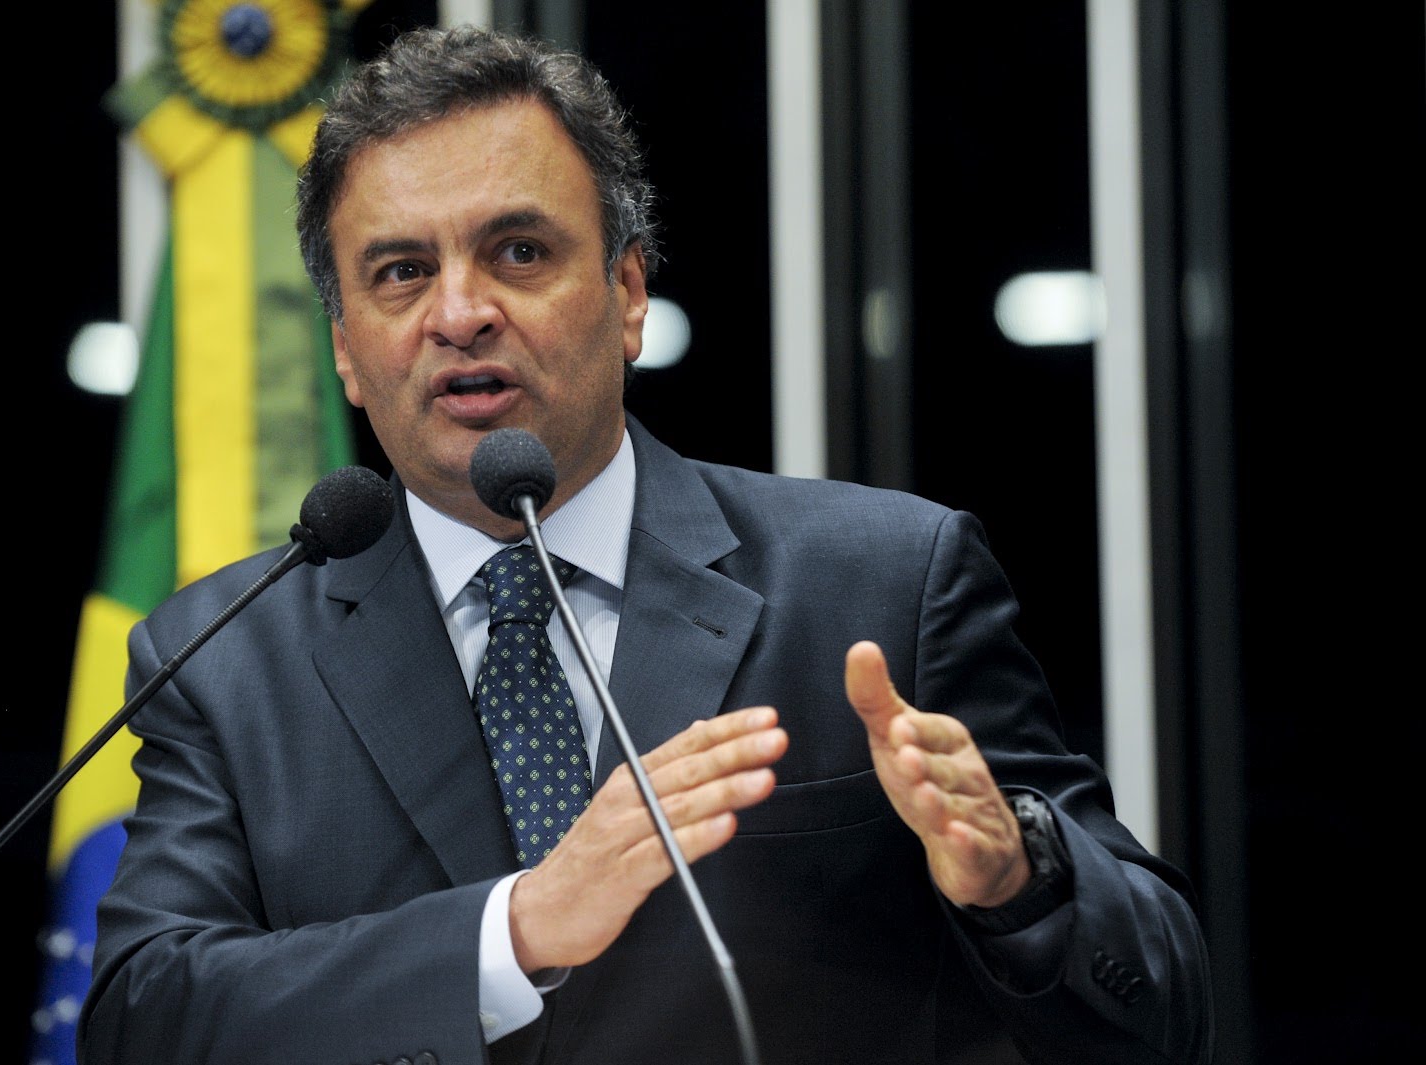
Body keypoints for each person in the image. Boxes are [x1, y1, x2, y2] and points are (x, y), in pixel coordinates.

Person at [80, 25, 1213, 1065]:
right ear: (343, 346)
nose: (460, 313)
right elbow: (143, 1019)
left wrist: (1020, 878)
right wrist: (513, 932)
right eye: (402, 271)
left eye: (518, 251)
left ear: (627, 293)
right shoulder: (221, 659)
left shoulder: (882, 583)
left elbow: (1162, 1003)